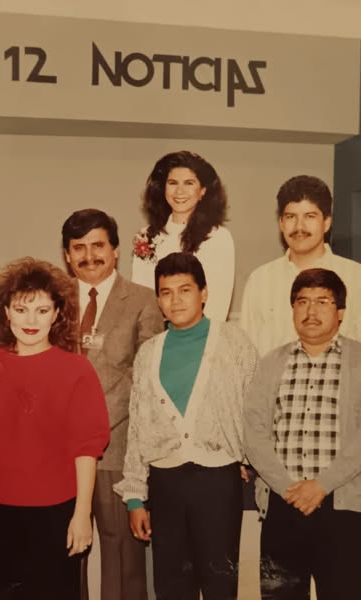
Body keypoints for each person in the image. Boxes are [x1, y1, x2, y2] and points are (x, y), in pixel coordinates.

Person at [0, 257, 110, 600]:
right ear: (5, 311)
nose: (31, 321)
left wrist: (82, 514)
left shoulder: (77, 370)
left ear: (57, 313)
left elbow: (87, 449)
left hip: (56, 512)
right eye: (21, 310)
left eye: (41, 310)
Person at [115, 252, 257, 600]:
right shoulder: (149, 353)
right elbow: (138, 427)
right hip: (165, 482)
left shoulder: (234, 342)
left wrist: (247, 458)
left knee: (220, 583)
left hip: (218, 480)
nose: (175, 300)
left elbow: (255, 410)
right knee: (172, 585)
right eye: (166, 292)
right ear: (158, 299)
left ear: (204, 293)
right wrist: (135, 498)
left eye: (185, 290)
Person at [62, 209, 164, 600]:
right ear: (67, 254)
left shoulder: (143, 301)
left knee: (122, 556)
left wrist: (93, 424)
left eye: (98, 246)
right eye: (79, 248)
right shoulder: (52, 301)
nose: (89, 256)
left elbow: (145, 374)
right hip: (59, 451)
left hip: (117, 448)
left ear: (116, 250)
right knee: (63, 554)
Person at [244, 268, 361, 599]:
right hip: (283, 503)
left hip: (344, 506)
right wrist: (288, 488)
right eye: (302, 301)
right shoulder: (271, 363)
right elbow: (253, 430)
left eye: (322, 301)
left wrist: (321, 484)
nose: (311, 311)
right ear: (292, 308)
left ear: (340, 312)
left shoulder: (358, 360)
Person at [241, 174, 361, 356]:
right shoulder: (260, 280)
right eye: (291, 217)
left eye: (309, 216)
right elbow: (247, 355)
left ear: (327, 222)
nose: (299, 227)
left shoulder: (355, 277)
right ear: (281, 223)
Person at [132, 150, 235, 321]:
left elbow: (217, 305)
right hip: (155, 331)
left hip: (199, 332)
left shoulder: (218, 237)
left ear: (203, 190)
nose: (179, 191)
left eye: (189, 183)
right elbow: (141, 298)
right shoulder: (146, 236)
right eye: (173, 183)